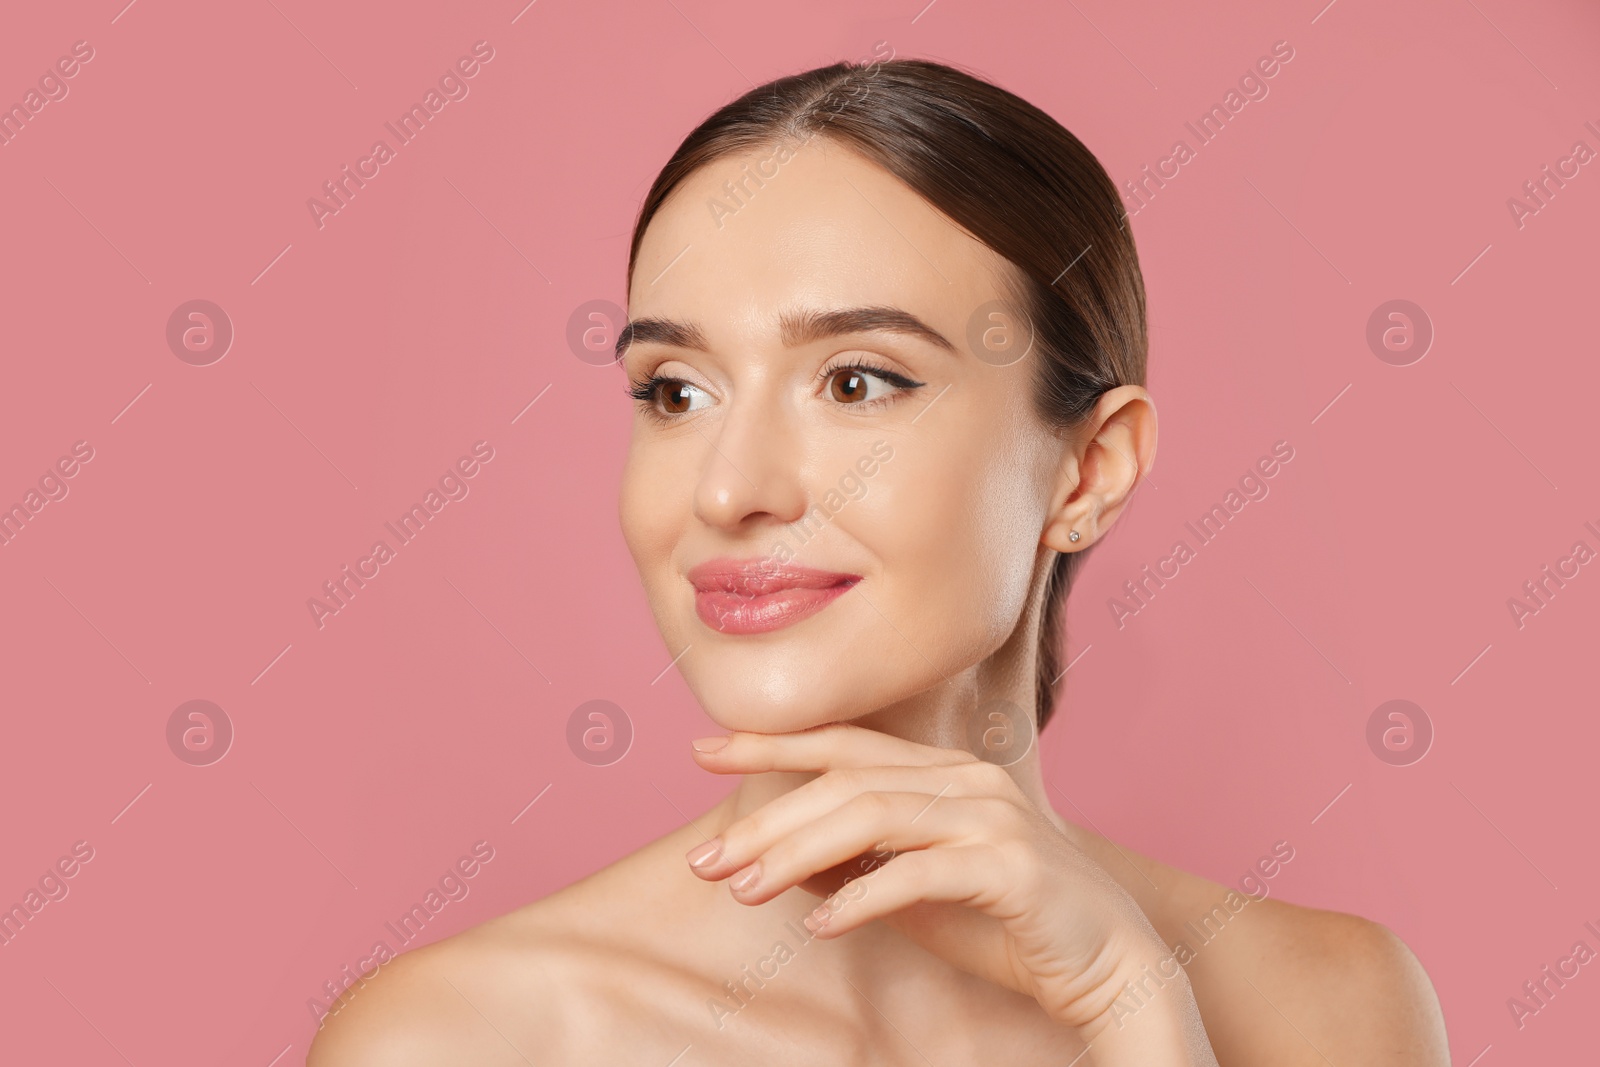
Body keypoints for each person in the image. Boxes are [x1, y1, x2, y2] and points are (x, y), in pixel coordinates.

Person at [308, 56, 1450, 1065]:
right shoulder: (460, 1039)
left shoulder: (1327, 1009)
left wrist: (1133, 1005)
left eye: (857, 381)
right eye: (677, 391)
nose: (726, 488)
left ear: (1088, 468)